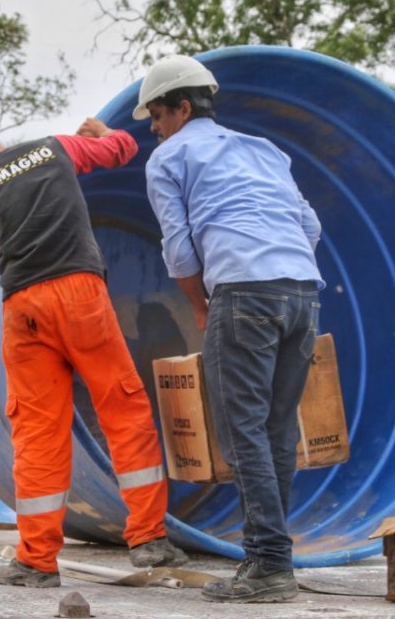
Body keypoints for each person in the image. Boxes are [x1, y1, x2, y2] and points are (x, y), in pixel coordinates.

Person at [0, 108, 187, 588]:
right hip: (79, 294)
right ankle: (148, 537)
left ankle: (36, 561)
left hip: (22, 308)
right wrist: (103, 132)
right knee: (123, 407)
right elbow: (122, 150)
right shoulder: (54, 148)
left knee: (37, 432)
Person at [136, 55, 323, 603]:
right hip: (303, 292)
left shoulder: (169, 157)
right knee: (277, 430)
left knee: (243, 431)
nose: (154, 128)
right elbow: (310, 225)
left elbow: (178, 249)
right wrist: (280, 263)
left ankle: (267, 563)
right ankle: (274, 560)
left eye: (157, 116)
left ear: (182, 107)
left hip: (243, 292)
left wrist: (201, 306)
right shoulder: (265, 150)